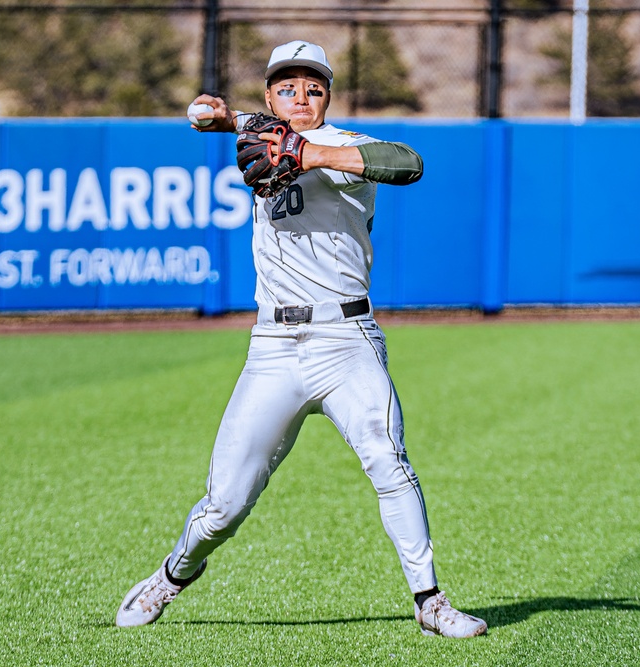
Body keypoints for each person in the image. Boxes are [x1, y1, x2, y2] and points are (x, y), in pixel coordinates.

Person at [115, 40, 487, 639]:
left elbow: (409, 164)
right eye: (287, 88)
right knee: (224, 505)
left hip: (347, 337)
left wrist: (311, 152)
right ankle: (171, 574)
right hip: (273, 347)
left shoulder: (347, 147)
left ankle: (430, 601)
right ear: (270, 96)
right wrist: (215, 115)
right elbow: (228, 121)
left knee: (389, 463)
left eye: (313, 88)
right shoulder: (261, 134)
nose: (301, 97)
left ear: (328, 97)